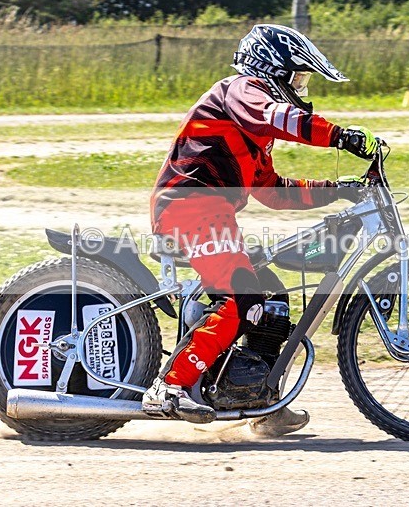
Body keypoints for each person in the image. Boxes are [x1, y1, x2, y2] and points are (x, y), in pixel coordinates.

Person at [143, 24, 380, 435]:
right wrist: (340, 137)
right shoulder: (241, 91)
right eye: (298, 78)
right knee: (242, 297)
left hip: (209, 210)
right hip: (189, 205)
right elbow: (280, 117)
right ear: (272, 69)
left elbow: (271, 190)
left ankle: (262, 401)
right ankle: (169, 388)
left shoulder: (251, 132)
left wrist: (338, 190)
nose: (301, 89)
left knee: (271, 297)